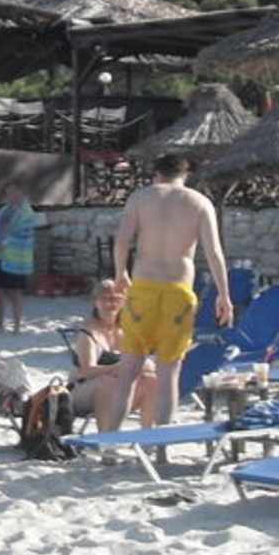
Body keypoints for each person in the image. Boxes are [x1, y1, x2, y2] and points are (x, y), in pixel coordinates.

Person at [109, 154, 229, 431]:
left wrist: (120, 273)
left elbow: (122, 241)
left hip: (143, 287)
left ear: (157, 174)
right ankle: (160, 447)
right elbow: (214, 252)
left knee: (127, 374)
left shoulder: (140, 198)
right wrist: (224, 295)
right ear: (185, 175)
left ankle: (109, 441)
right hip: (178, 291)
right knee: (168, 376)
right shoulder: (200, 202)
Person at [70, 280, 157, 429]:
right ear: (96, 302)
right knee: (109, 382)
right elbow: (86, 371)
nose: (112, 303)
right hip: (81, 391)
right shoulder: (88, 332)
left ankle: (148, 434)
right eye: (106, 298)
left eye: (117, 299)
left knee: (151, 380)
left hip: (117, 391)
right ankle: (107, 436)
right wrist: (116, 367)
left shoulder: (124, 330)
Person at [0, 181, 45, 333]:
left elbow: (22, 233)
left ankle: (16, 326)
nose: (10, 195)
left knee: (14, 292)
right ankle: (0, 325)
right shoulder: (3, 210)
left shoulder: (27, 213)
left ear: (22, 193)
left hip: (16, 259)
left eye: (13, 192)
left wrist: (4, 242)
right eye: (8, 192)